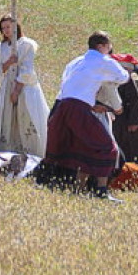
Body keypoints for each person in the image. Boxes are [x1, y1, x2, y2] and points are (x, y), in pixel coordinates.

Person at [43, 31, 129, 202]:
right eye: (108, 47)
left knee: (82, 147)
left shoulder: (76, 61)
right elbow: (123, 77)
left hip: (61, 106)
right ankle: (101, 191)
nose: (110, 50)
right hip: (79, 108)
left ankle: (79, 187)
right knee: (107, 147)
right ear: (101, 46)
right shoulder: (104, 61)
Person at [0, 14, 49, 156]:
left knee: (26, 116)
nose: (6, 30)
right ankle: (10, 151)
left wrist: (17, 90)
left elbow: (27, 69)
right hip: (8, 85)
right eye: (3, 28)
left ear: (15, 26)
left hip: (25, 86)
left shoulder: (26, 45)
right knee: (8, 118)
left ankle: (32, 152)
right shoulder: (2, 47)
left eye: (8, 26)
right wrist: (9, 62)